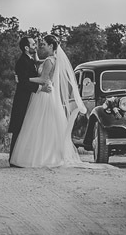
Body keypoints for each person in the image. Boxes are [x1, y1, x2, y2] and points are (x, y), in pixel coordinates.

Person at [10, 35, 87, 168]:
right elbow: (38, 62)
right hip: (48, 94)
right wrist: (35, 58)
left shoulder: (49, 61)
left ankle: (39, 155)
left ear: (51, 46)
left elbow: (43, 79)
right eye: (37, 44)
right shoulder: (52, 59)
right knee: (47, 125)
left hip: (44, 94)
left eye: (44, 44)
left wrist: (24, 79)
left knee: (38, 125)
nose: (40, 46)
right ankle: (49, 154)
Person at [7, 37, 52, 167]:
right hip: (23, 98)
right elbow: (24, 82)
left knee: (26, 127)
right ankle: (13, 159)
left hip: (30, 98)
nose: (35, 46)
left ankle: (21, 157)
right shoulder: (22, 61)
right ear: (26, 48)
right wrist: (41, 88)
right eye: (33, 44)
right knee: (19, 127)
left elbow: (37, 63)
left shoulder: (29, 59)